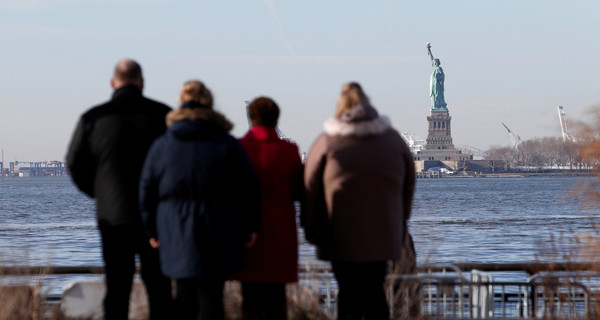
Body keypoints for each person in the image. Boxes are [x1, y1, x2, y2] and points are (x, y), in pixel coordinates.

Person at [139, 80, 261, 320]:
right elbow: (248, 188)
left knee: (183, 296)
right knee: (213, 298)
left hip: (175, 229)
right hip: (218, 228)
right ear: (210, 103)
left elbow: (146, 191)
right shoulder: (227, 143)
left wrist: (151, 228)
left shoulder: (163, 145)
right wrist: (250, 226)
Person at [66, 59, 173, 320]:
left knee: (117, 287)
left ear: (113, 83)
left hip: (113, 215)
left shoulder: (93, 118)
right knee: (160, 288)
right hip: (156, 217)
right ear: (142, 82)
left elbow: (73, 162)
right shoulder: (165, 116)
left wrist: (97, 192)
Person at [302, 82, 416, 320]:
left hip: (339, 233)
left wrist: (310, 227)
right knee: (375, 292)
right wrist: (401, 221)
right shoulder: (393, 140)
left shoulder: (327, 141)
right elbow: (409, 183)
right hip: (383, 232)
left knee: (348, 293)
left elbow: (309, 187)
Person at [231, 97, 303, 319]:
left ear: (251, 118)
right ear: (276, 118)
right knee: (277, 299)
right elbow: (299, 192)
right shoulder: (290, 151)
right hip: (280, 232)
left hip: (245, 233)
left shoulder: (238, 148)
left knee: (250, 299)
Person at [427, 42, 447, 110]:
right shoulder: (434, 68)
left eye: (436, 62)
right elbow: (431, 58)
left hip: (437, 85)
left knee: (437, 94)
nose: (434, 63)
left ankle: (438, 106)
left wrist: (438, 77)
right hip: (433, 85)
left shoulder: (439, 68)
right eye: (434, 62)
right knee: (433, 95)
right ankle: (434, 106)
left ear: (438, 63)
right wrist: (429, 50)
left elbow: (442, 76)